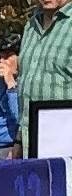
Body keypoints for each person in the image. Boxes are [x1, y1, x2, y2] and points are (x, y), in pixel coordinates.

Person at [19, 0, 72, 156]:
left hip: (65, 147)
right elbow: (26, 87)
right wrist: (18, 140)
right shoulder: (30, 27)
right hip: (30, 147)